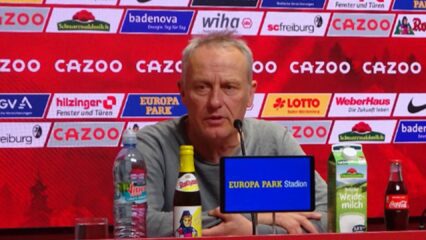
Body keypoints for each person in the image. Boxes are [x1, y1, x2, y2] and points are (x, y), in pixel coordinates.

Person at [136, 32, 328, 237]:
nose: (215, 102)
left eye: (229, 87)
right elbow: (138, 222)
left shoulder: (273, 141)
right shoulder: (152, 144)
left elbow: (326, 215)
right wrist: (255, 217)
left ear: (250, 94)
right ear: (182, 92)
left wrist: (253, 228)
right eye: (202, 87)